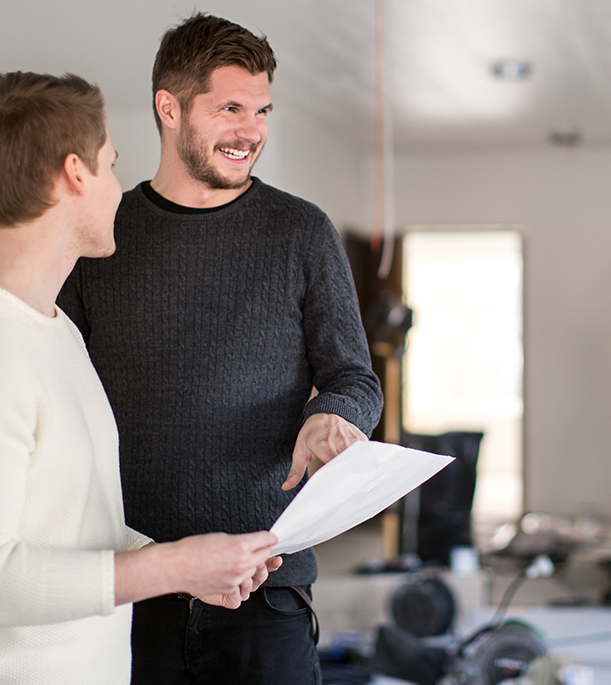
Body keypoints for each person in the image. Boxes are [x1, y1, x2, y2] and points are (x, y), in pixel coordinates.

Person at [0, 71, 281, 684]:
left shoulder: (53, 330)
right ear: (76, 174)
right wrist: (173, 568)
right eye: (110, 165)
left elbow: (77, 526)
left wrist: (185, 566)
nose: (116, 189)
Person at [57, 13, 383, 685]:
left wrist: (335, 412)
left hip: (264, 586)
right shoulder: (101, 235)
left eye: (261, 109)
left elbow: (355, 375)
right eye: (230, 107)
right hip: (131, 588)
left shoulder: (302, 232)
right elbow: (54, 388)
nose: (252, 129)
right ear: (168, 108)